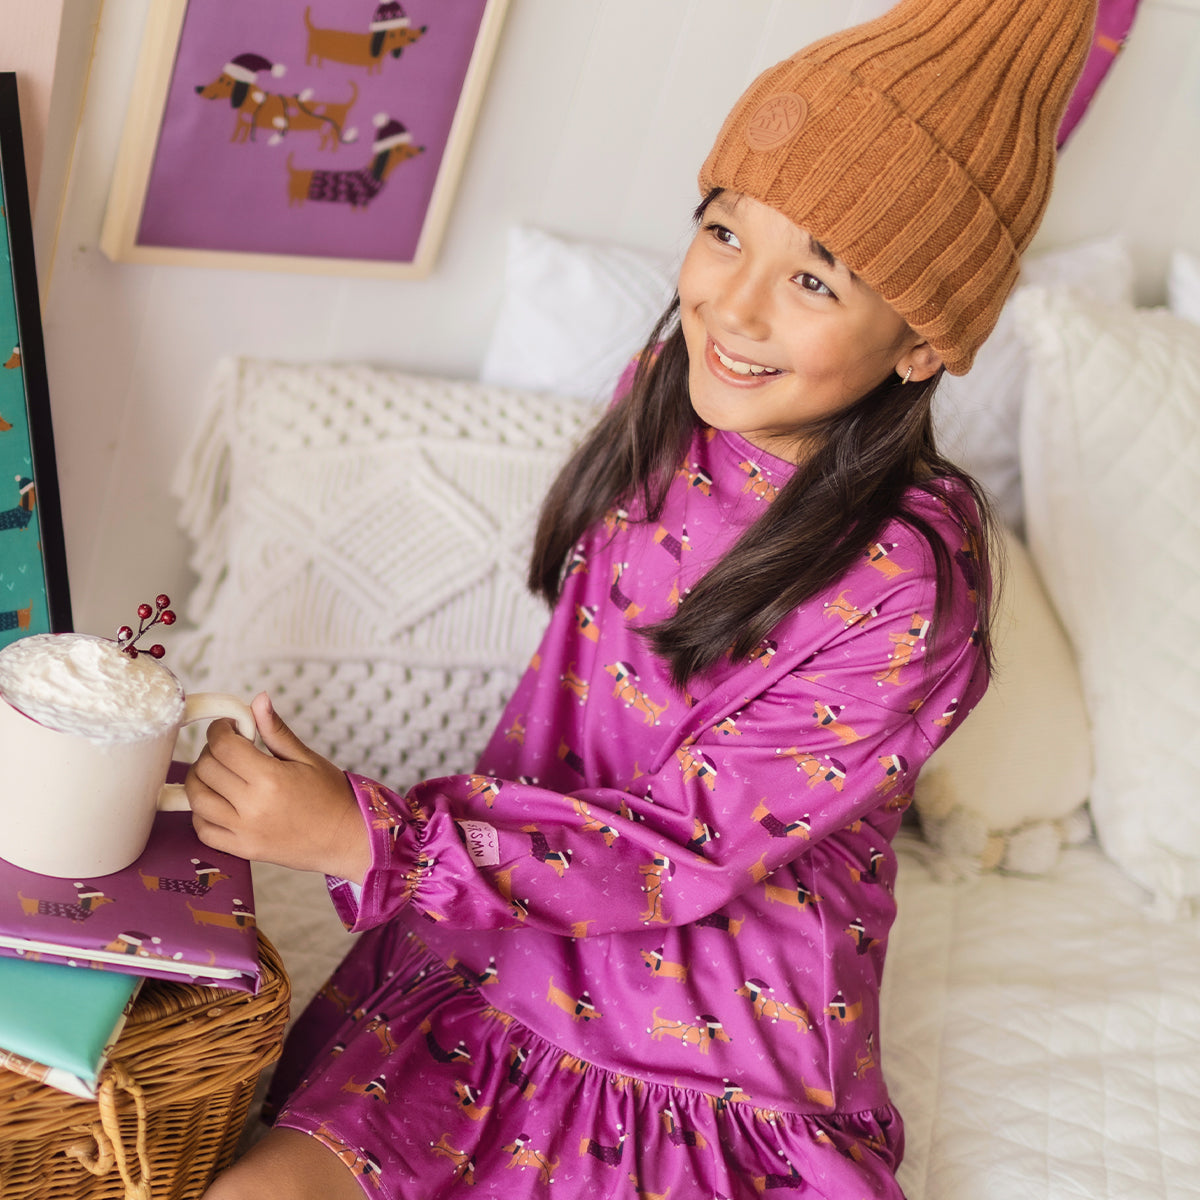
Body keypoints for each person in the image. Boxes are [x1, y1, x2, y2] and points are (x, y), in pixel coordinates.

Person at [189, 0, 1095, 1195]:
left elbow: (688, 848)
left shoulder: (907, 586)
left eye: (814, 280)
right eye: (725, 231)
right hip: (500, 943)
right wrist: (373, 837)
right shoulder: (669, 386)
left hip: (711, 1043)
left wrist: (369, 837)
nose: (736, 304)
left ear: (923, 342)